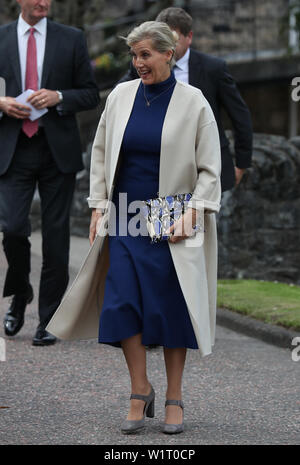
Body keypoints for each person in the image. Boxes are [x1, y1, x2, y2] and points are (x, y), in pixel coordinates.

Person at [47, 20, 221, 434]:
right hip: (124, 215)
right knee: (122, 303)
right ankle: (139, 389)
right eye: (133, 55)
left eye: (145, 55)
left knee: (169, 307)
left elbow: (209, 169)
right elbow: (102, 152)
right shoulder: (121, 96)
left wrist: (193, 213)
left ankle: (175, 397)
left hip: (171, 217)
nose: (138, 63)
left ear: (168, 53)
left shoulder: (194, 102)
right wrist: (96, 208)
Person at [0, 0, 100, 346]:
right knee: (12, 228)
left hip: (57, 150)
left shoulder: (71, 38)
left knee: (56, 237)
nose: (44, 2)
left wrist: (59, 96)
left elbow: (90, 93)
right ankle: (19, 291)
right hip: (13, 149)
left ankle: (50, 318)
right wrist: (1, 102)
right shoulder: (0, 37)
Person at [118, 7, 252, 192]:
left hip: (204, 165)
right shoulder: (141, 66)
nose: (165, 43)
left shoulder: (214, 68)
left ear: (189, 37)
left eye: (172, 38)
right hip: (158, 172)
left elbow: (240, 115)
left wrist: (242, 163)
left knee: (204, 219)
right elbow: (118, 100)